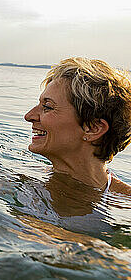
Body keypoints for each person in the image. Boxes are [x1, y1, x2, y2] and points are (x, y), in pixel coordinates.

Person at [24, 57, 131, 195]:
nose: (29, 116)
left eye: (48, 107)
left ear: (93, 128)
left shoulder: (124, 206)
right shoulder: (11, 179)